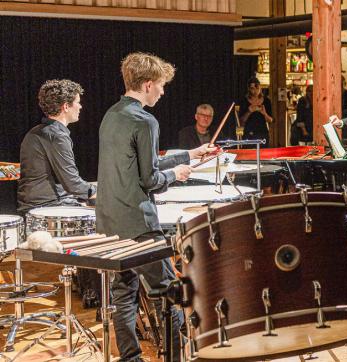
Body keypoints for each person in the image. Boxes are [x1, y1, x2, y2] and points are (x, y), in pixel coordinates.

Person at [96, 52, 215, 362]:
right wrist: (175, 175)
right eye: (161, 85)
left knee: (123, 295)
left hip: (109, 221)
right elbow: (149, 178)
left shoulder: (111, 115)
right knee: (167, 292)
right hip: (138, 223)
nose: (163, 91)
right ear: (148, 84)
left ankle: (131, 358)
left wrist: (189, 155)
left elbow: (139, 166)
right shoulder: (146, 120)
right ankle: (178, 357)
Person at [17, 79, 96, 213]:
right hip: (47, 207)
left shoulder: (35, 131)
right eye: (78, 102)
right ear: (66, 106)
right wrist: (99, 192)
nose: (80, 106)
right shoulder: (57, 136)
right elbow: (72, 184)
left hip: (36, 203)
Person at [239, 77, 272, 147]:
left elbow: (271, 120)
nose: (255, 90)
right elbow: (241, 121)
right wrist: (249, 111)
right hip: (249, 132)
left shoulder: (266, 101)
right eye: (252, 88)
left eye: (257, 87)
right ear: (249, 89)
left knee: (264, 155)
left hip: (262, 132)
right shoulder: (244, 101)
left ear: (260, 87)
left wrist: (264, 114)